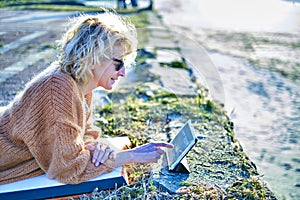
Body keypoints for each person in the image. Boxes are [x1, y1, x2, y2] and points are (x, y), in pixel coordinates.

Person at [0, 11, 173, 185]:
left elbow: (82, 132)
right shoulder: (58, 88)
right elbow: (68, 169)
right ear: (94, 56)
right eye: (118, 63)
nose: (122, 73)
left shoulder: (80, 83)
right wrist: (130, 156)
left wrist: (95, 147)